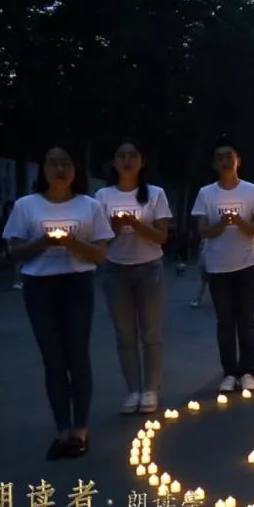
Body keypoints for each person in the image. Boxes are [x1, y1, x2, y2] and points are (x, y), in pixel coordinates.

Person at [3, 145, 113, 460]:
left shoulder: (89, 206)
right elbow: (15, 251)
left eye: (66, 162)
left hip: (77, 284)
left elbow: (101, 253)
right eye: (53, 163)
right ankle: (62, 429)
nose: (60, 168)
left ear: (75, 170)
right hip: (39, 287)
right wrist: (44, 242)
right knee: (53, 360)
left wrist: (72, 242)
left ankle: (80, 429)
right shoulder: (27, 205)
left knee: (77, 357)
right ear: (43, 170)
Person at [95, 139, 172, 414]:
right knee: (124, 334)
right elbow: (99, 240)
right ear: (114, 163)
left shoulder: (155, 194)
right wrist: (115, 228)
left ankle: (150, 389)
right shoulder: (102, 197)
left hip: (149, 267)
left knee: (151, 332)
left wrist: (136, 224)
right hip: (115, 270)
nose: (127, 160)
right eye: (121, 155)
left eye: (133, 155)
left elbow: (162, 237)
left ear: (142, 162)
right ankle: (133, 390)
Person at [191, 138, 254, 393]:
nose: (225, 161)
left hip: (247, 263)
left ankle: (247, 371)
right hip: (217, 266)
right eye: (220, 157)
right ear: (214, 164)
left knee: (246, 320)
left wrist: (240, 222)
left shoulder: (252, 190)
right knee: (224, 321)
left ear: (238, 161)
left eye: (229, 156)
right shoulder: (206, 193)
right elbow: (202, 231)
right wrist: (223, 224)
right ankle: (229, 372)